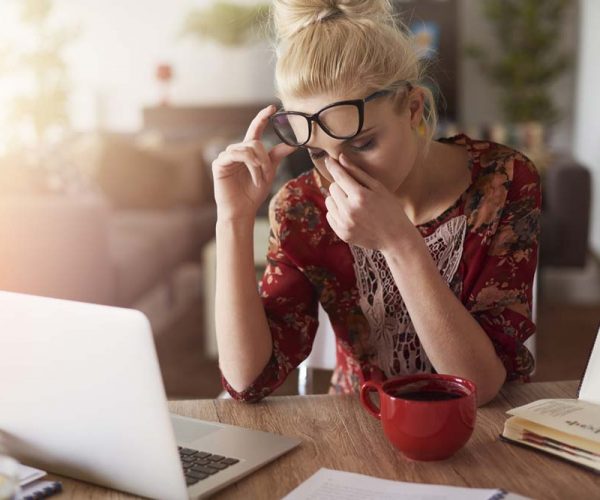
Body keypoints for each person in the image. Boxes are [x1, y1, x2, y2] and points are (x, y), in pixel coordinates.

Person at [211, 0, 540, 406]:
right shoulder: (303, 207)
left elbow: (480, 387)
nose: (341, 173)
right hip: (362, 424)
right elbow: (247, 382)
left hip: (484, 438)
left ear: (414, 108)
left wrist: (399, 243)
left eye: (363, 143)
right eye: (317, 153)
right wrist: (233, 220)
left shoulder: (502, 181)